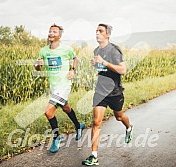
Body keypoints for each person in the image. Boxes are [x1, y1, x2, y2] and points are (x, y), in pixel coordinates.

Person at [82, 23, 133, 166]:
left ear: (108, 34)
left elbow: (122, 70)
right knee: (96, 122)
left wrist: (104, 62)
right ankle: (94, 156)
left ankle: (129, 128)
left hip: (115, 92)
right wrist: (96, 64)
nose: (97, 33)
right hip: (100, 91)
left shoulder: (114, 50)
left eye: (100, 31)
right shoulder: (96, 50)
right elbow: (102, 68)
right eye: (96, 31)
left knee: (119, 116)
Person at [34, 24, 85, 153]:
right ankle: (79, 126)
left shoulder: (66, 49)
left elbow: (75, 58)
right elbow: (37, 67)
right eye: (50, 31)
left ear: (59, 35)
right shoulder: (43, 50)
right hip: (54, 86)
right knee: (65, 107)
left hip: (64, 85)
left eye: (54, 31)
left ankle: (57, 138)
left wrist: (73, 70)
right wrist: (38, 65)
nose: (51, 33)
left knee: (48, 112)